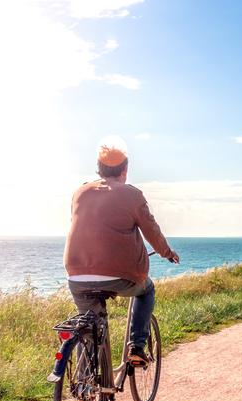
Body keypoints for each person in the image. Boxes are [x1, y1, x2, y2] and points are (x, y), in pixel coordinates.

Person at [63, 136, 179, 365]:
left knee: (89, 327)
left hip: (77, 275)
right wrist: (167, 252)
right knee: (146, 291)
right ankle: (136, 347)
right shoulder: (132, 195)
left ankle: (87, 392)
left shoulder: (80, 192)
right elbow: (151, 232)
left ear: (98, 169)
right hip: (120, 277)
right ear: (125, 170)